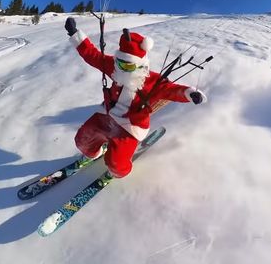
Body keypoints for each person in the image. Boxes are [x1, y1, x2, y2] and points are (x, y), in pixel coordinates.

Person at [65, 17, 205, 178]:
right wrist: (75, 34)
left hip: (130, 127)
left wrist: (189, 93)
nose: (122, 69)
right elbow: (93, 56)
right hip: (107, 115)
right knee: (82, 140)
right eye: (120, 63)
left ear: (139, 64)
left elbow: (171, 90)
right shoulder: (116, 67)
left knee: (115, 162)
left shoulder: (151, 80)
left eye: (128, 65)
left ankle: (116, 172)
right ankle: (94, 153)